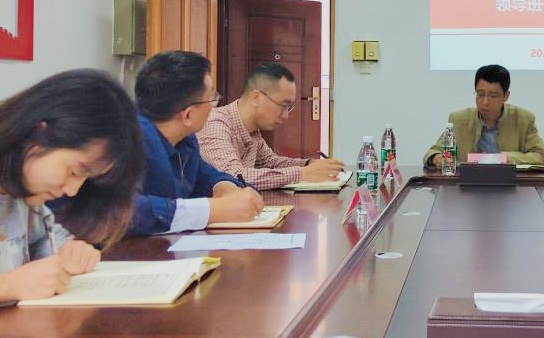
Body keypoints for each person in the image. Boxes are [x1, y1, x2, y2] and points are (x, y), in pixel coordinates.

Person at [0, 69, 144, 301]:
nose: (72, 190)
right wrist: (8, 286)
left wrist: (72, 250)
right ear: (39, 131)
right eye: (74, 172)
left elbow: (47, 239)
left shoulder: (25, 196)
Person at [130, 51, 264, 236]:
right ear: (188, 115)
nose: (215, 105)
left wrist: (224, 186)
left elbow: (207, 176)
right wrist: (213, 210)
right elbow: (124, 211)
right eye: (212, 98)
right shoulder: (128, 139)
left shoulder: (184, 140)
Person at [198, 62, 343, 190]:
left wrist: (308, 164)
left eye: (289, 108)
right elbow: (234, 177)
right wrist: (302, 173)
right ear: (256, 97)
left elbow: (271, 163)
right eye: (283, 105)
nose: (285, 116)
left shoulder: (252, 130)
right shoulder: (216, 124)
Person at [423, 64, 544, 167]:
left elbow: (542, 156)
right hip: (469, 184)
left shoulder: (524, 119)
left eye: (493, 96)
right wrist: (436, 158)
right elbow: (434, 151)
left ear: (506, 96)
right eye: (480, 94)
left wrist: (504, 158)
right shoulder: (458, 120)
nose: (485, 102)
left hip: (509, 184)